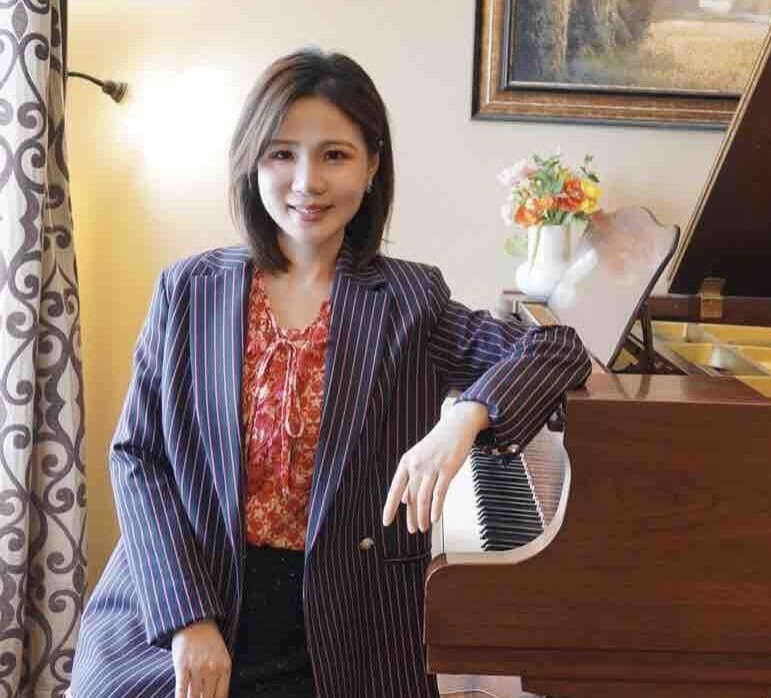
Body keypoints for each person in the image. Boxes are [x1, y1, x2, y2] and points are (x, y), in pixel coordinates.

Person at [70, 49, 590, 698]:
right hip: (187, 601)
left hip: (344, 626)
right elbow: (137, 457)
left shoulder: (408, 301)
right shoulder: (188, 291)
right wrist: (187, 621)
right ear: (251, 163)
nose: (306, 182)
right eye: (282, 154)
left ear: (372, 167)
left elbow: (558, 349)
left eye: (335, 155)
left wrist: (465, 416)